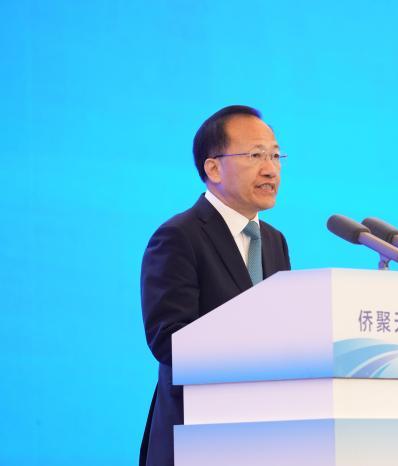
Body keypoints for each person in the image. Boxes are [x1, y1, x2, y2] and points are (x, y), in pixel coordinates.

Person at [139, 105, 291, 466]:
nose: (270, 169)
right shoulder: (178, 236)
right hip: (198, 436)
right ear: (213, 168)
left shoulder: (275, 241)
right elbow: (169, 340)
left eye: (275, 155)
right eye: (255, 155)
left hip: (265, 438)